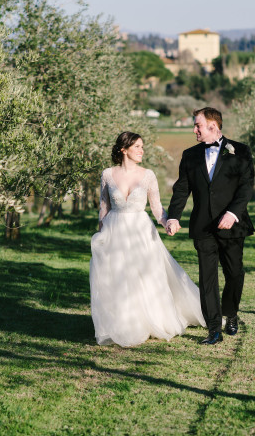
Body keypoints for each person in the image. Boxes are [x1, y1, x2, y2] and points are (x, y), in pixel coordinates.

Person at [89, 131, 206, 347]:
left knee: (145, 276)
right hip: (114, 230)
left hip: (141, 231)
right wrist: (100, 235)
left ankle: (152, 320)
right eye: (137, 147)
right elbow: (103, 208)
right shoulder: (107, 174)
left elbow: (156, 208)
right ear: (123, 149)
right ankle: (124, 323)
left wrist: (168, 222)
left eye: (143, 147)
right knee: (118, 278)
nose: (142, 151)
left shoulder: (148, 175)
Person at [166, 107, 254, 345]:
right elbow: (182, 189)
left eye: (198, 125)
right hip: (203, 227)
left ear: (213, 127)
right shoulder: (190, 155)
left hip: (232, 225)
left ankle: (231, 313)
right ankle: (214, 329)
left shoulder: (241, 151)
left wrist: (233, 213)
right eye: (195, 125)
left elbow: (246, 187)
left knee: (235, 273)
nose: (194, 129)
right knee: (207, 278)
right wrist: (174, 216)